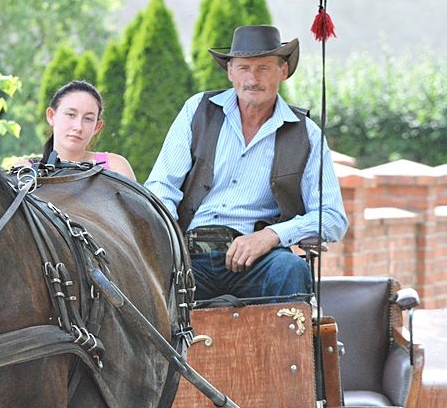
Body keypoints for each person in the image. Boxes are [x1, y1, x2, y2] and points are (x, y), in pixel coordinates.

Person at [145, 25, 348, 301]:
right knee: (150, 282)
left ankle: (286, 347)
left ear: (283, 71)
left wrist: (273, 235)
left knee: (290, 269)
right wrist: (169, 241)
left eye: (264, 68)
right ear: (230, 72)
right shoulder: (197, 110)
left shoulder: (307, 134)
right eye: (243, 68)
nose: (253, 78)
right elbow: (162, 186)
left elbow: (332, 217)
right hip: (189, 254)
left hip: (261, 259)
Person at [37, 80, 135, 180]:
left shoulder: (115, 167)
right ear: (51, 116)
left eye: (88, 119)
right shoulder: (27, 171)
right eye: (71, 115)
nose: (78, 127)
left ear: (97, 127)